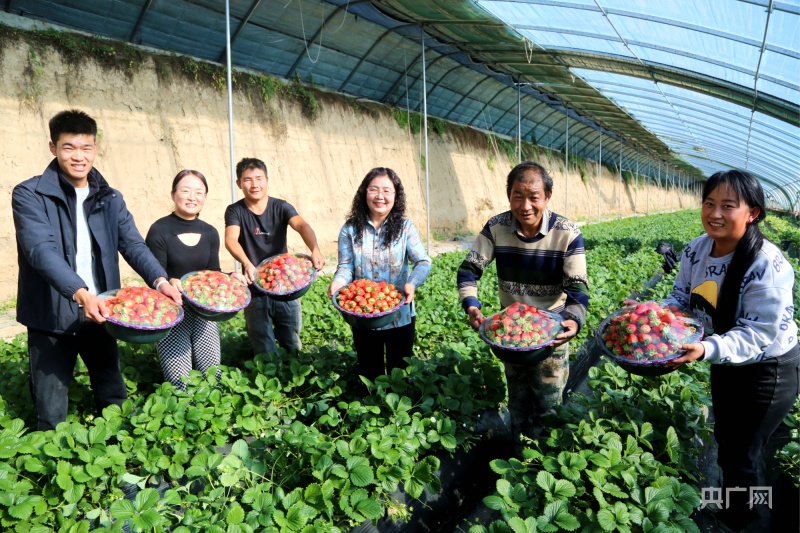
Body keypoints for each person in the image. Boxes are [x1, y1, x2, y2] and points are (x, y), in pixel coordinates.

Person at [12, 109, 182, 431]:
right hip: (52, 317)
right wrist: (81, 293)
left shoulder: (109, 197)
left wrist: (160, 281)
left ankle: (120, 459)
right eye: (69, 147)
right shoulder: (29, 194)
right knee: (51, 409)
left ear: (95, 147)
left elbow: (133, 244)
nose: (79, 156)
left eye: (86, 147)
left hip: (103, 310)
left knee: (113, 392)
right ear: (53, 148)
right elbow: (40, 251)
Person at [662, 170, 798, 532]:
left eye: (727, 206)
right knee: (726, 442)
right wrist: (654, 312)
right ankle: (727, 508)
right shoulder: (697, 249)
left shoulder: (767, 265)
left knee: (745, 455)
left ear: (752, 213)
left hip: (768, 371)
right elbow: (681, 299)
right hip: (724, 359)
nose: (715, 213)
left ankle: (748, 523)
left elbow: (758, 335)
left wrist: (707, 348)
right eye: (709, 203)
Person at [457, 161, 590, 441]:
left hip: (551, 333)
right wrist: (471, 304)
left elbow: (577, 287)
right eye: (518, 195)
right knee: (517, 401)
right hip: (511, 332)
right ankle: (518, 456)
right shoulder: (496, 227)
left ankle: (545, 460)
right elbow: (469, 270)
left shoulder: (567, 232)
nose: (525, 205)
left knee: (549, 403)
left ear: (548, 197)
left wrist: (573, 320)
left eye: (534, 197)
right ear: (509, 195)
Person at [146, 170, 248, 389]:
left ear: (205, 198)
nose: (192, 197)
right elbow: (154, 274)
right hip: (173, 312)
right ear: (173, 194)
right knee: (179, 381)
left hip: (204, 313)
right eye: (186, 190)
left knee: (212, 375)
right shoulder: (159, 230)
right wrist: (170, 281)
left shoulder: (210, 232)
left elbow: (212, 272)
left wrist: (231, 277)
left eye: (199, 192)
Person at [328, 167, 431, 382]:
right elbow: (346, 266)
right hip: (363, 316)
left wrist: (411, 283)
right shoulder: (350, 229)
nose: (380, 196)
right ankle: (371, 407)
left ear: (396, 195)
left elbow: (422, 261)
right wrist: (338, 282)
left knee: (400, 371)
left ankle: (395, 410)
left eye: (386, 190)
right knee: (369, 370)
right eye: (374, 189)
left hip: (399, 313)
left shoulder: (405, 228)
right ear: (364, 192)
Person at [224, 157, 325, 357]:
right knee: (261, 340)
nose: (254, 184)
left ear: (267, 180)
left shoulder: (281, 207)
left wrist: (315, 248)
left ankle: (294, 375)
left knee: (291, 338)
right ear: (239, 184)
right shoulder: (235, 211)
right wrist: (247, 263)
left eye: (259, 178)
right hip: (255, 286)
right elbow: (231, 240)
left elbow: (301, 225)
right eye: (248, 180)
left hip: (284, 285)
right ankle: (270, 376)